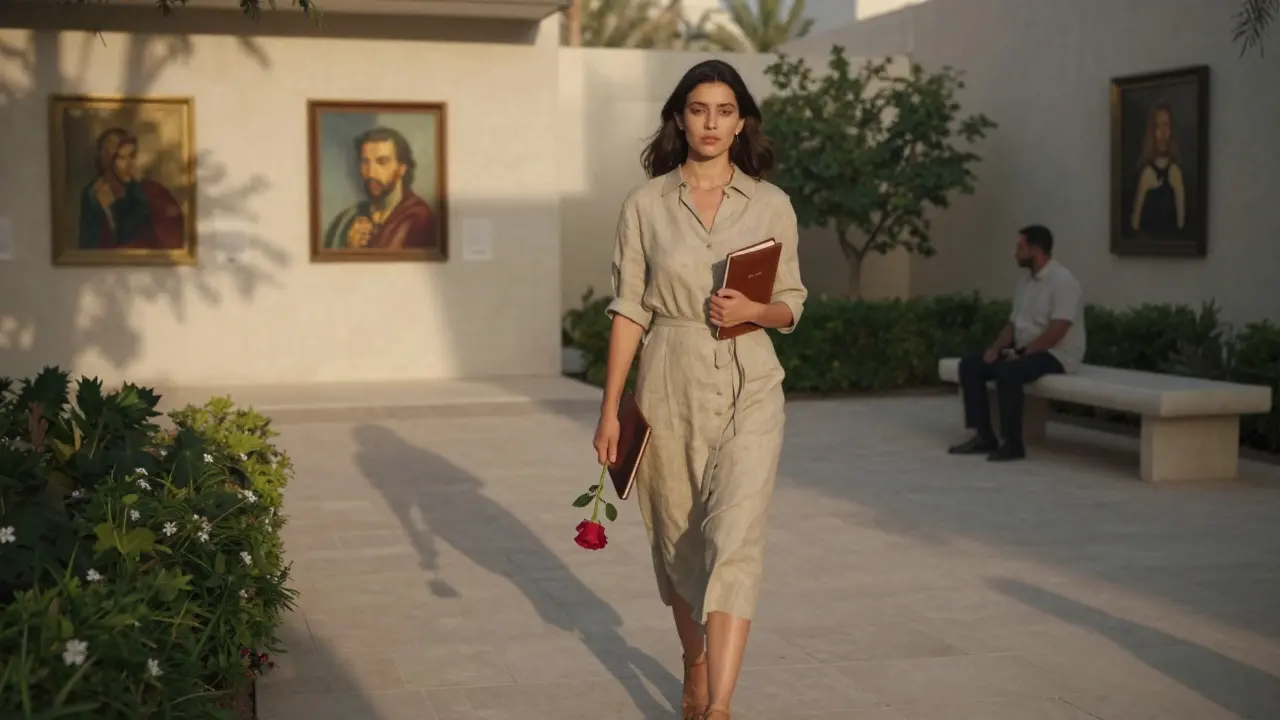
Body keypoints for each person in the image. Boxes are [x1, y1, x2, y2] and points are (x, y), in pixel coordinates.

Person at [591, 60, 806, 720]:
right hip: (669, 377)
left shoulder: (771, 204)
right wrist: (610, 413)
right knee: (678, 543)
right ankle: (695, 663)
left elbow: (792, 304)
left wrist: (754, 311)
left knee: (735, 537)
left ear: (741, 122)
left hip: (751, 376)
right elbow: (630, 309)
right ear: (679, 119)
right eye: (697, 109)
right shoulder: (644, 205)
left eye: (724, 110)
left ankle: (718, 709)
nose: (711, 122)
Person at [948, 225, 1085, 461]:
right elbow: (1012, 324)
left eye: (1020, 248)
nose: (1015, 253)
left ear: (1036, 250)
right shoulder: (1025, 282)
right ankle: (984, 436)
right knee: (971, 365)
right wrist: (995, 348)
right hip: (1024, 351)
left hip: (1057, 355)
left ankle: (1013, 444)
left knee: (1008, 372)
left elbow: (1057, 331)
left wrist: (1023, 353)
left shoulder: (1063, 282)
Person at [323, 127, 436, 250]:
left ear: (402, 168)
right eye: (365, 162)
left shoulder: (417, 217)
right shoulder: (346, 219)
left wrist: (355, 252)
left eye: (382, 162)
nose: (371, 173)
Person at [78, 127, 185, 250]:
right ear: (108, 160)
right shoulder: (93, 195)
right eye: (122, 158)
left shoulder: (144, 191)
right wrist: (108, 209)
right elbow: (91, 249)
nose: (130, 164)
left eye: (132, 156)